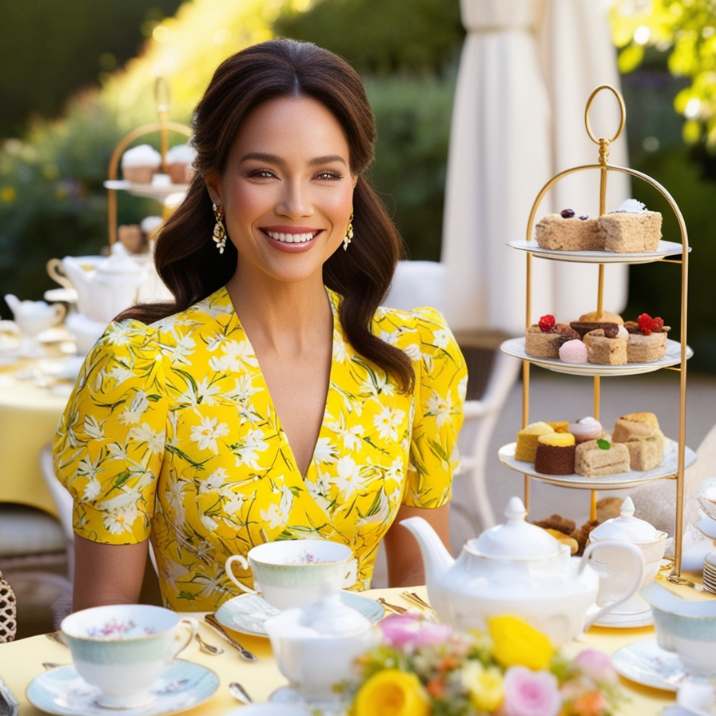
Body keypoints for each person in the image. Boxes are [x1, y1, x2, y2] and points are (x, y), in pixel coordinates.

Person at [53, 39, 467, 612]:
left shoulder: (416, 353)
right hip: (206, 698)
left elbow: (422, 599)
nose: (296, 205)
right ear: (218, 186)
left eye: (325, 174)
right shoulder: (140, 365)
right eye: (264, 173)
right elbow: (105, 622)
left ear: (353, 187)